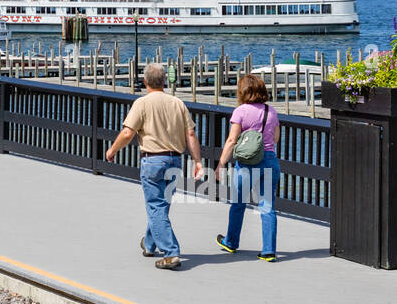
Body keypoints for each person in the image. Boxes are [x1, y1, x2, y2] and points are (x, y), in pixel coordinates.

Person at [105, 63, 203, 270]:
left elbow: (127, 133)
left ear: (145, 82)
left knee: (156, 206)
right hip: (175, 160)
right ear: (164, 81)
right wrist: (197, 161)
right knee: (161, 205)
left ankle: (171, 252)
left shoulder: (142, 103)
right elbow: (191, 134)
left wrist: (112, 150)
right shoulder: (178, 103)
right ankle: (150, 244)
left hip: (152, 160)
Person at [214, 74, 281, 262]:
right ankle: (269, 251)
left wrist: (221, 164)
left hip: (247, 163)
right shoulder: (272, 111)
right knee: (267, 206)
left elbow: (231, 140)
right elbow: (275, 138)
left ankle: (231, 242)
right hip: (269, 160)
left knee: (238, 204)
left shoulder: (240, 111)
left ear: (243, 91)